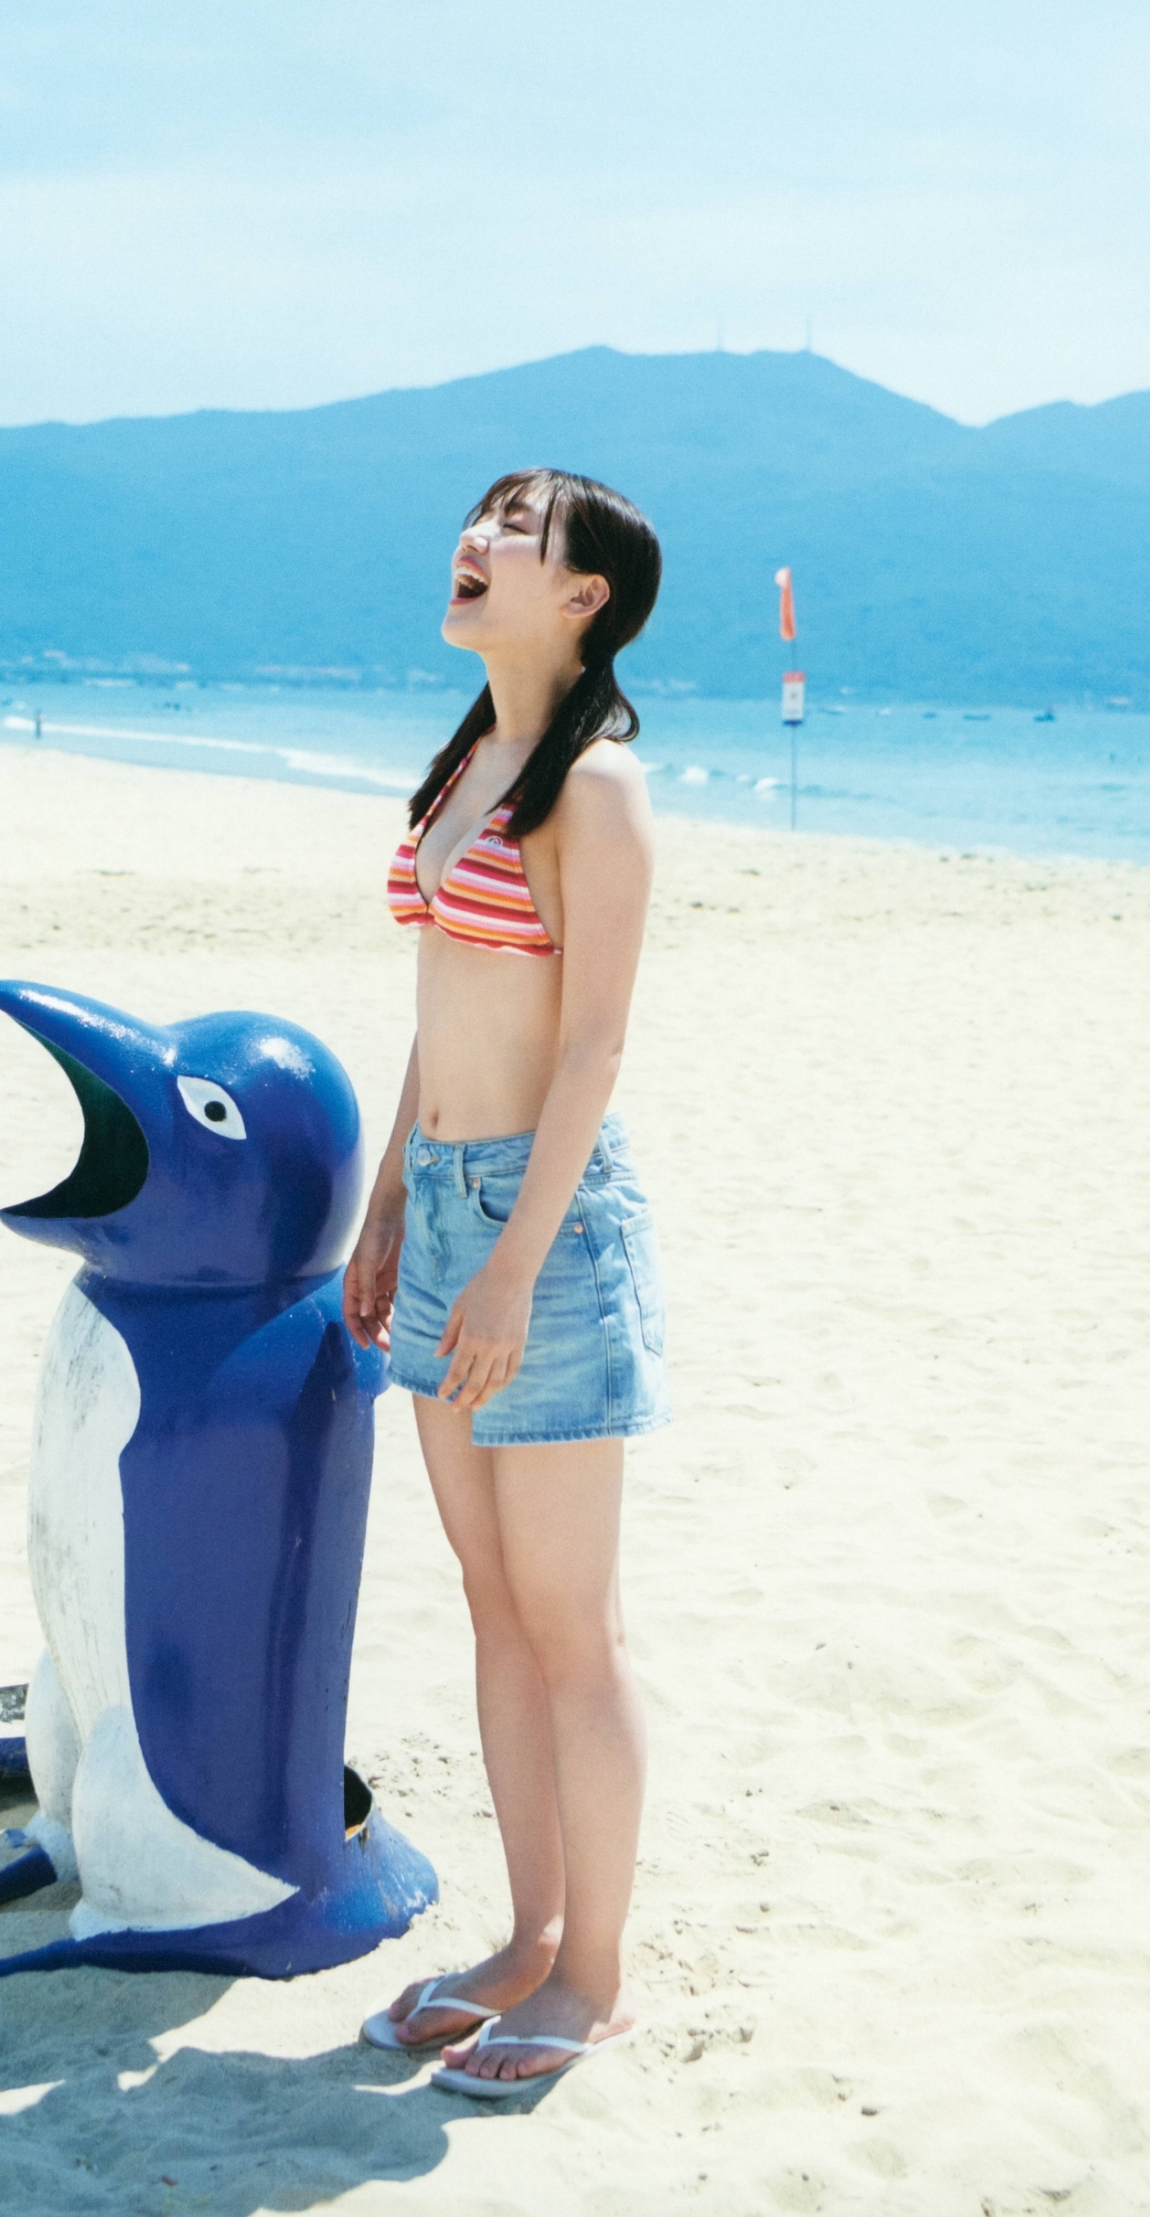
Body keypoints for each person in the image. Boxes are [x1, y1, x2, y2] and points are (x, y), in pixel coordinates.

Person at [345, 467, 667, 2095]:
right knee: (492, 1600)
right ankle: (530, 1937)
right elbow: (445, 994)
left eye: (515, 530)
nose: (474, 541)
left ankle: (597, 1977)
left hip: (546, 1224)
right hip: (448, 1207)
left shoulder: (596, 787)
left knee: (570, 1622)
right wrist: (390, 1198)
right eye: (477, 516)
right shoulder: (474, 756)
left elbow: (593, 1045)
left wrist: (513, 1268)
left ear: (585, 595)